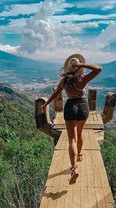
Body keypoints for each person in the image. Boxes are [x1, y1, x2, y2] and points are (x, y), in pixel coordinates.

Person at [40, 54, 102, 184]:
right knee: (79, 133)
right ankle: (79, 154)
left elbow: (55, 93)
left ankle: (74, 168)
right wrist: (82, 65)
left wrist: (46, 104)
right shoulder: (83, 79)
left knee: (72, 140)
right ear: (79, 68)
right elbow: (98, 69)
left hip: (70, 107)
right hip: (83, 107)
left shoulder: (64, 81)